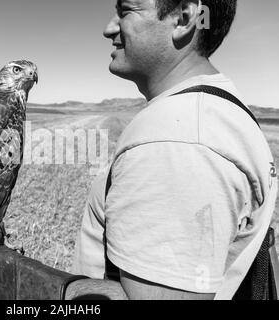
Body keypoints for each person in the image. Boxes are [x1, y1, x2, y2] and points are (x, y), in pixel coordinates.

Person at [69, 0, 278, 300]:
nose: (109, 28)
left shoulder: (176, 140)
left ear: (184, 18)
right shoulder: (215, 110)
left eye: (125, 10)